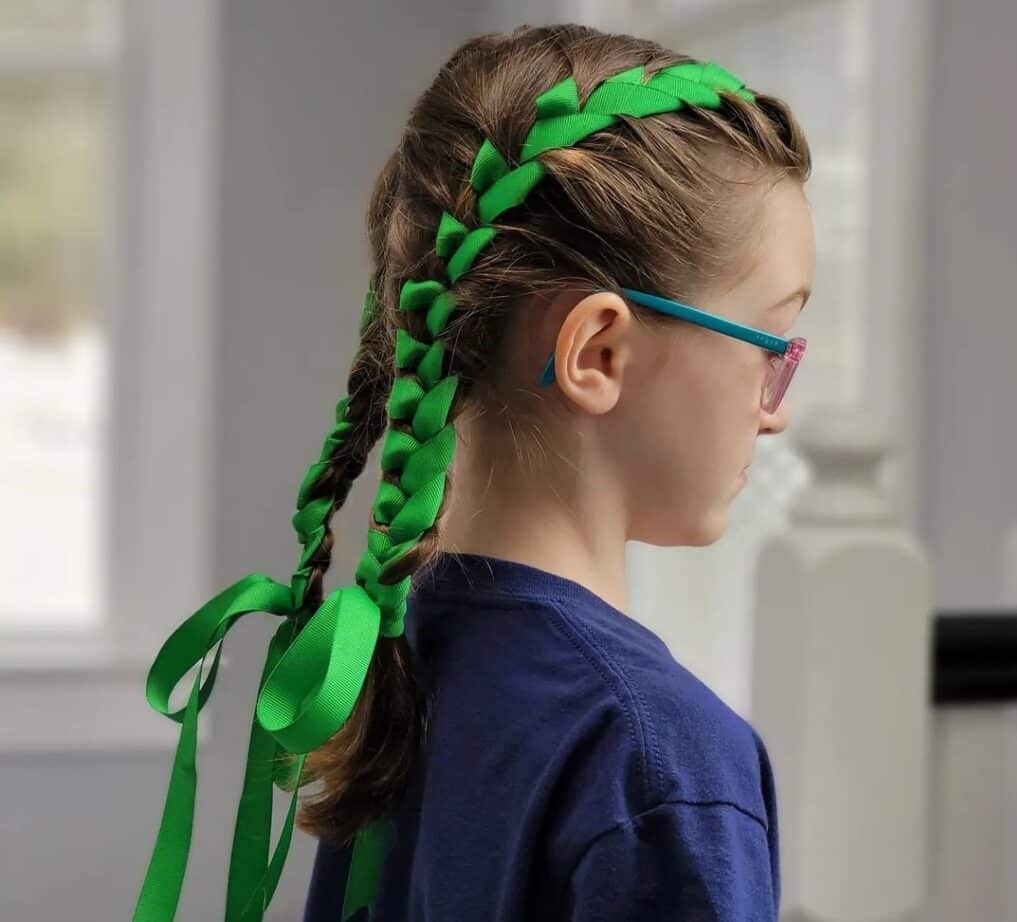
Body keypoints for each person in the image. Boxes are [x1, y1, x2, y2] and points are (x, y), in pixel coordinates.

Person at [132, 20, 815, 922]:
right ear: (599, 353)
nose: (778, 410)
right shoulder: (658, 758)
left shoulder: (393, 658)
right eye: (776, 347)